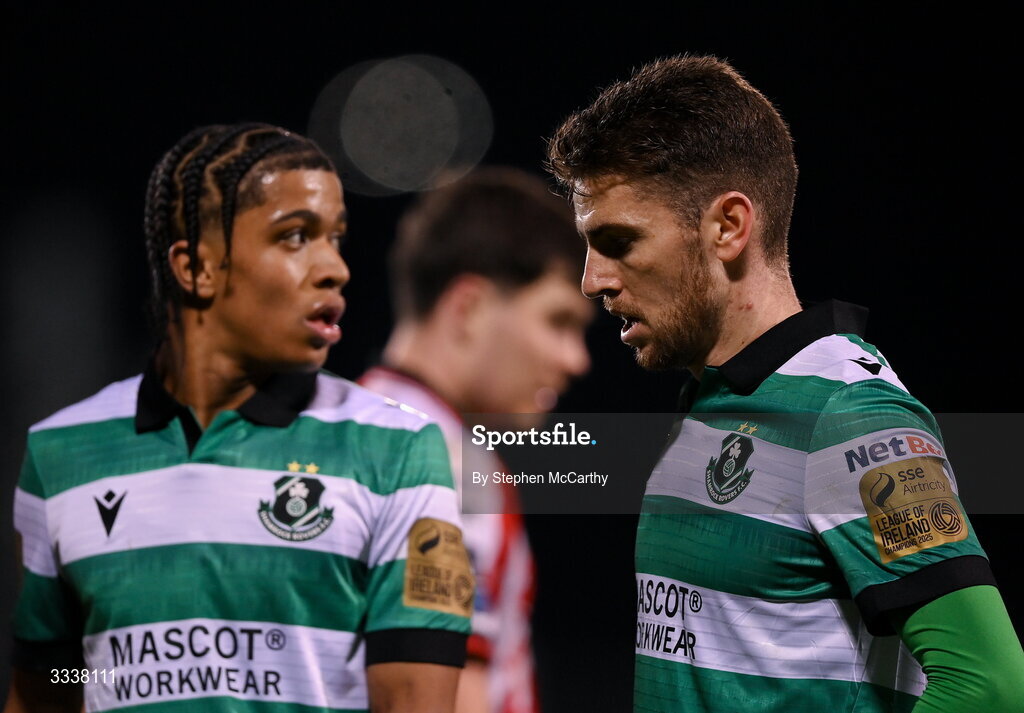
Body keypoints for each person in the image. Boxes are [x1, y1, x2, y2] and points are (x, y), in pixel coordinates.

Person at [545, 56, 1024, 712]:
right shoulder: (716, 398)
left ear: (729, 227)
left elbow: (991, 683)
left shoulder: (850, 416)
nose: (591, 279)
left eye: (620, 241)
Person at [6, 123, 472, 713]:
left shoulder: (397, 448)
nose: (335, 267)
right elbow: (49, 684)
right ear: (196, 268)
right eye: (297, 236)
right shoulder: (60, 451)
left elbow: (414, 704)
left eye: (337, 238)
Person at [359, 167, 593, 713]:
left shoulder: (341, 431)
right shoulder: (447, 463)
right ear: (468, 308)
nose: (574, 359)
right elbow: (444, 695)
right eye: (558, 320)